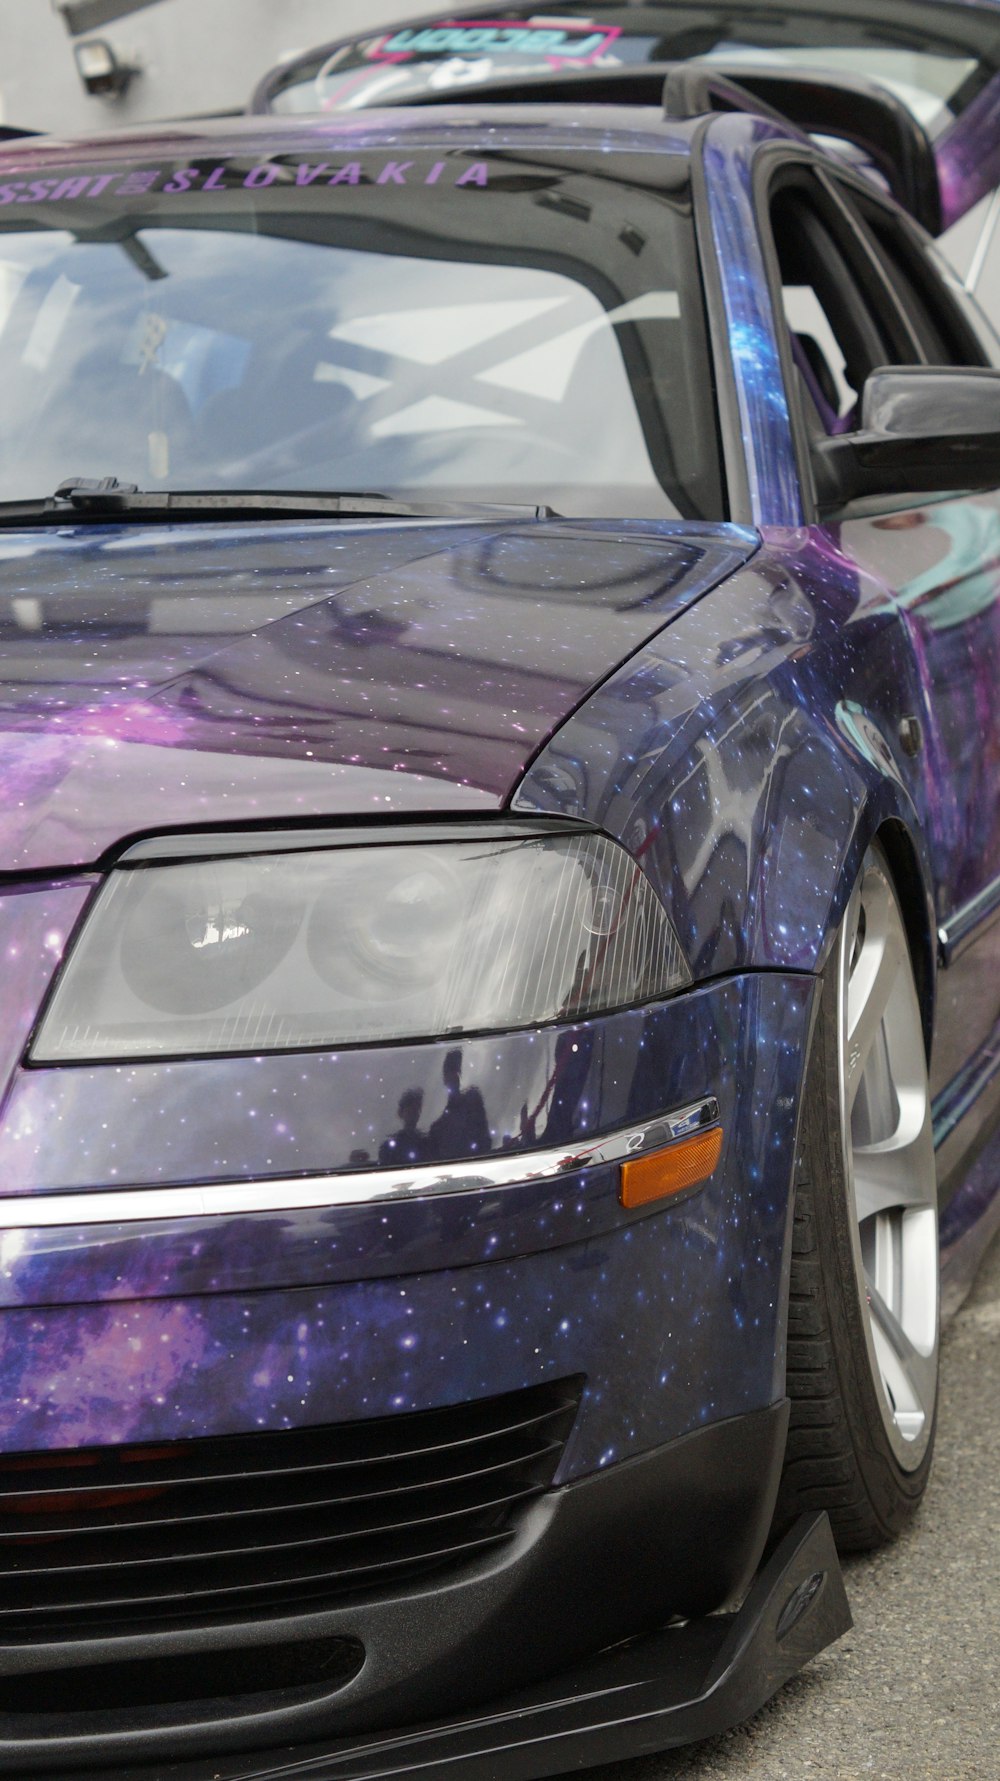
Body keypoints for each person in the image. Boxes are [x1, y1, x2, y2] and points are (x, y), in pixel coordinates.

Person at [428, 1049, 490, 1159]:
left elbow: (484, 1140)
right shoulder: (437, 1128)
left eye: (456, 1071)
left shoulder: (473, 1100)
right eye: (449, 1072)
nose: (454, 1076)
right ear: (444, 1078)